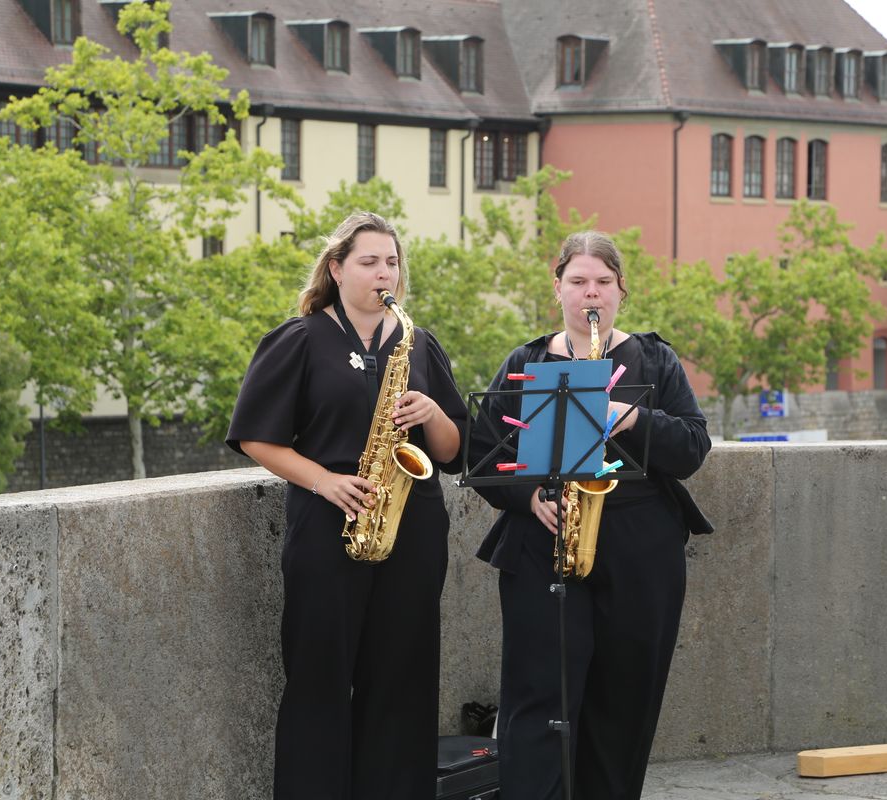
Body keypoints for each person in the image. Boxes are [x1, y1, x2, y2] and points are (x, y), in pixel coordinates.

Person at [226, 211, 466, 800]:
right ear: (336, 269)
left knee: (404, 682)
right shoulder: (300, 338)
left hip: (411, 529)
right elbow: (255, 435)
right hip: (327, 528)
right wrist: (325, 482)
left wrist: (433, 413)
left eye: (392, 262)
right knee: (319, 681)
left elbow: (454, 450)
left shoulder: (417, 343)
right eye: (369, 261)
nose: (385, 273)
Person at [469, 231, 712, 800]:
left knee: (625, 699)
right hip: (544, 543)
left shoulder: (655, 359)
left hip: (641, 549)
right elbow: (483, 452)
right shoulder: (525, 361)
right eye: (577, 281)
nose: (591, 294)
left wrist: (632, 417)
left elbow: (693, 447)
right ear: (557, 288)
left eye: (603, 282)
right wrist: (530, 496)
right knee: (536, 698)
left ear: (622, 290)